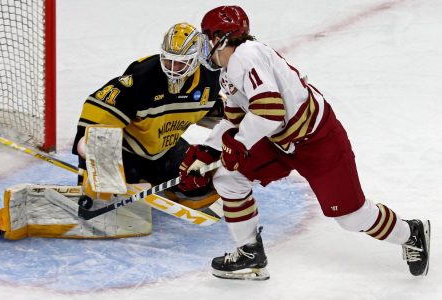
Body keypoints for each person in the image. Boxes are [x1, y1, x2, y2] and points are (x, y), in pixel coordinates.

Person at [179, 6, 430, 280]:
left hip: (318, 142)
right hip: (279, 141)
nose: (205, 47)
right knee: (229, 178)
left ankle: (412, 232)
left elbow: (269, 111)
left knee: (352, 217)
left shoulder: (246, 56)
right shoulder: (228, 73)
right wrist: (206, 150)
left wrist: (236, 146)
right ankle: (250, 254)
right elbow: (237, 119)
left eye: (207, 38)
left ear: (222, 38)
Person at [72, 22, 223, 209]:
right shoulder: (144, 76)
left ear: (196, 59)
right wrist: (92, 156)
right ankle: (133, 175)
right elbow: (100, 108)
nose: (173, 68)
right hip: (127, 151)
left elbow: (212, 108)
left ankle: (157, 177)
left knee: (198, 185)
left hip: (165, 148)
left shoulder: (208, 81)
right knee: (109, 193)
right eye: (168, 60)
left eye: (181, 62)